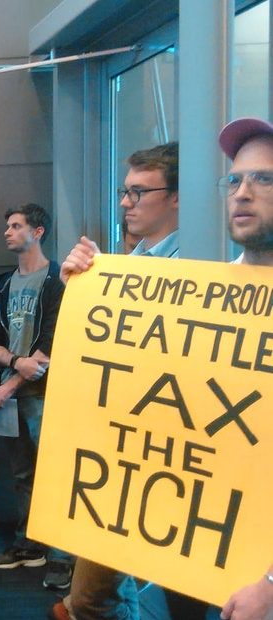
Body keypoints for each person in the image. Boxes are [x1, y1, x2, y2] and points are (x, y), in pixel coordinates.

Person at [55, 142, 181, 619]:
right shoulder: (132, 262)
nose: (126, 202)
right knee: (97, 595)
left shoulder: (201, 263)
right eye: (124, 192)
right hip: (123, 445)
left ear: (176, 197)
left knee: (94, 597)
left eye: (138, 192)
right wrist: (80, 292)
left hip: (164, 451)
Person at [0, 203, 69, 587]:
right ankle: (30, 544)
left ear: (37, 232)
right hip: (12, 391)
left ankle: (64, 556)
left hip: (45, 394)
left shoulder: (57, 282)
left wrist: (14, 378)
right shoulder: (3, 284)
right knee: (22, 474)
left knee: (56, 474)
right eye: (8, 225)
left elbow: (54, 341)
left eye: (16, 226)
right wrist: (15, 365)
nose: (7, 231)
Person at [217, 117, 273, 620]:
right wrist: (89, 285)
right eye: (234, 180)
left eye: (264, 179)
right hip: (208, 545)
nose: (243, 193)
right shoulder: (210, 292)